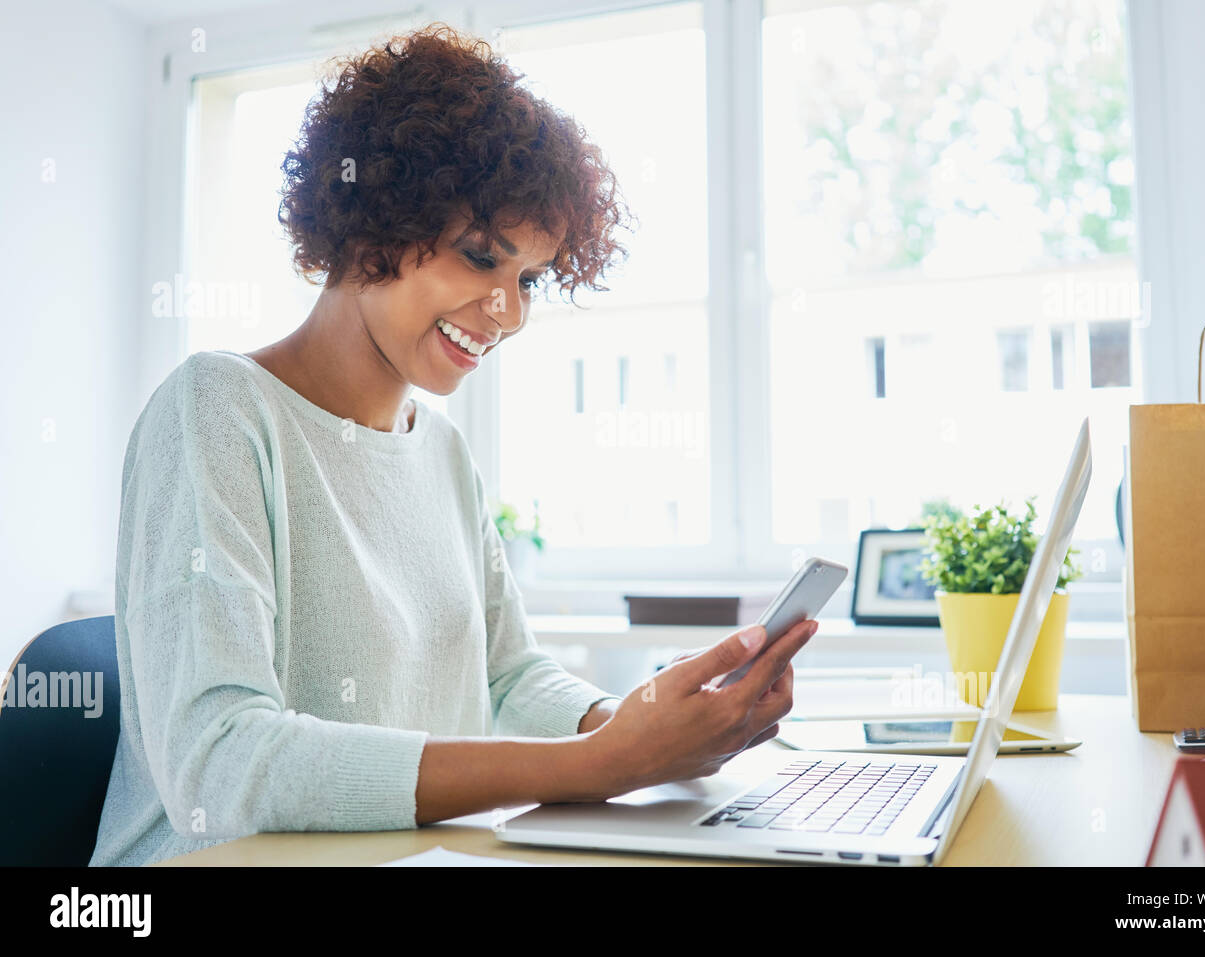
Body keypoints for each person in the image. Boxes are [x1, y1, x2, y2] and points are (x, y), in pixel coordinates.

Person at [90, 22, 814, 867]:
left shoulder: (440, 455)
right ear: (373, 226)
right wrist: (594, 765)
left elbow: (508, 679)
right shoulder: (214, 411)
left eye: (529, 280)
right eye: (481, 258)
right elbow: (221, 760)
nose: (508, 312)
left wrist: (645, 721)